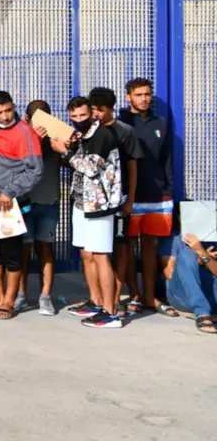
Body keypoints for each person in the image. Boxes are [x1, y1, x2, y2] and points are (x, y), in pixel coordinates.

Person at [52, 96, 124, 329]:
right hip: (81, 202)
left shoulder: (102, 135)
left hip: (100, 204)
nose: (78, 120)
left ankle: (110, 311)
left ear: (92, 113)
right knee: (86, 253)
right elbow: (75, 166)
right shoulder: (82, 136)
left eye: (82, 116)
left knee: (102, 256)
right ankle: (95, 301)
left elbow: (91, 168)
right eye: (73, 117)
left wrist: (65, 152)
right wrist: (69, 147)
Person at [0, 91, 42, 320]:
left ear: (14, 107)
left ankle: (9, 300)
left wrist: (11, 191)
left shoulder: (25, 132)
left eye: (8, 110)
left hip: (10, 203)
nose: (5, 116)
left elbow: (35, 170)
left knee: (12, 254)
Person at [119, 78, 175, 315]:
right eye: (138, 94)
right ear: (128, 97)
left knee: (150, 246)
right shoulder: (121, 123)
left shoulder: (160, 123)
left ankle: (150, 296)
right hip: (129, 196)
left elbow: (167, 160)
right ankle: (134, 295)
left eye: (147, 94)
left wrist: (167, 189)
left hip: (157, 196)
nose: (143, 98)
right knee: (129, 246)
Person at [88, 87, 142, 315]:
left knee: (120, 249)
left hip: (118, 200)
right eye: (94, 109)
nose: (96, 114)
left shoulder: (124, 131)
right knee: (94, 252)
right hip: (95, 202)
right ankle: (98, 298)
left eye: (101, 110)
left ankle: (116, 297)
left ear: (111, 109)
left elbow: (132, 166)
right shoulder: (90, 130)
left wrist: (130, 199)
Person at [22, 100, 62, 316]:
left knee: (45, 248)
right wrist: (34, 138)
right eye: (38, 117)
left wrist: (66, 147)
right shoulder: (21, 136)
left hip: (48, 200)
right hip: (25, 201)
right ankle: (20, 294)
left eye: (46, 116)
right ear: (27, 119)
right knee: (23, 249)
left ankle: (45, 296)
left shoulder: (58, 137)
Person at [168, 233, 217, 334]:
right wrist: (198, 261)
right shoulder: (175, 240)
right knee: (185, 255)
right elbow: (169, 274)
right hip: (183, 296)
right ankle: (202, 313)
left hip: (212, 296)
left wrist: (203, 254)